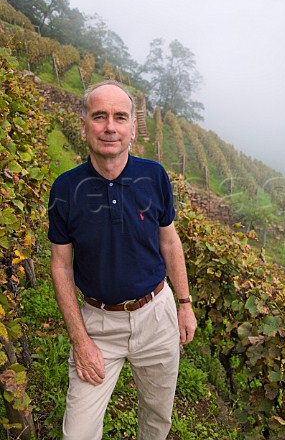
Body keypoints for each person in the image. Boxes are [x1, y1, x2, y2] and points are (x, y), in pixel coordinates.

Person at [48, 79, 197, 440]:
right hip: (99, 325)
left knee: (157, 419)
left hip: (157, 316)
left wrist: (184, 303)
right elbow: (61, 265)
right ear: (84, 125)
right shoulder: (65, 189)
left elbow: (169, 242)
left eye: (120, 117)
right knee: (78, 433)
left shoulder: (154, 176)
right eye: (99, 116)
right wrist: (80, 340)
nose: (110, 127)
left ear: (133, 128)